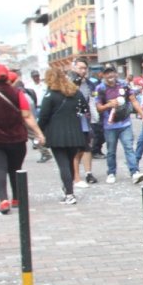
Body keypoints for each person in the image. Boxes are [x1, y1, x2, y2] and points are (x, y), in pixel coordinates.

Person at [0, 64, 45, 213]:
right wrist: (38, 133)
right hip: (16, 139)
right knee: (16, 169)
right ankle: (16, 198)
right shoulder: (17, 93)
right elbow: (27, 116)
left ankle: (3, 200)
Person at [38, 67, 90, 205]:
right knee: (70, 162)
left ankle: (69, 193)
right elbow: (85, 109)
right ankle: (69, 189)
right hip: (75, 131)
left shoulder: (50, 95)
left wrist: (40, 131)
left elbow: (43, 116)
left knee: (63, 164)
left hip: (57, 134)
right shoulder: (75, 92)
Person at [94, 66, 143, 185]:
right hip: (110, 125)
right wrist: (109, 105)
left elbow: (133, 100)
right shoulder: (100, 88)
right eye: (107, 73)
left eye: (112, 72)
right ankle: (111, 172)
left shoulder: (124, 85)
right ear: (103, 75)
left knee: (129, 147)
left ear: (116, 74)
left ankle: (134, 172)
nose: (110, 75)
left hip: (125, 123)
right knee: (111, 150)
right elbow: (98, 108)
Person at [74, 59, 101, 186]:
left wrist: (95, 118)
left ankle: (88, 173)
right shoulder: (69, 83)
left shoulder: (90, 84)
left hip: (86, 118)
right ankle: (76, 175)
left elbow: (93, 100)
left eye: (85, 68)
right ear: (74, 68)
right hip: (73, 119)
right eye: (80, 68)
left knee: (87, 146)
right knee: (76, 148)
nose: (83, 70)